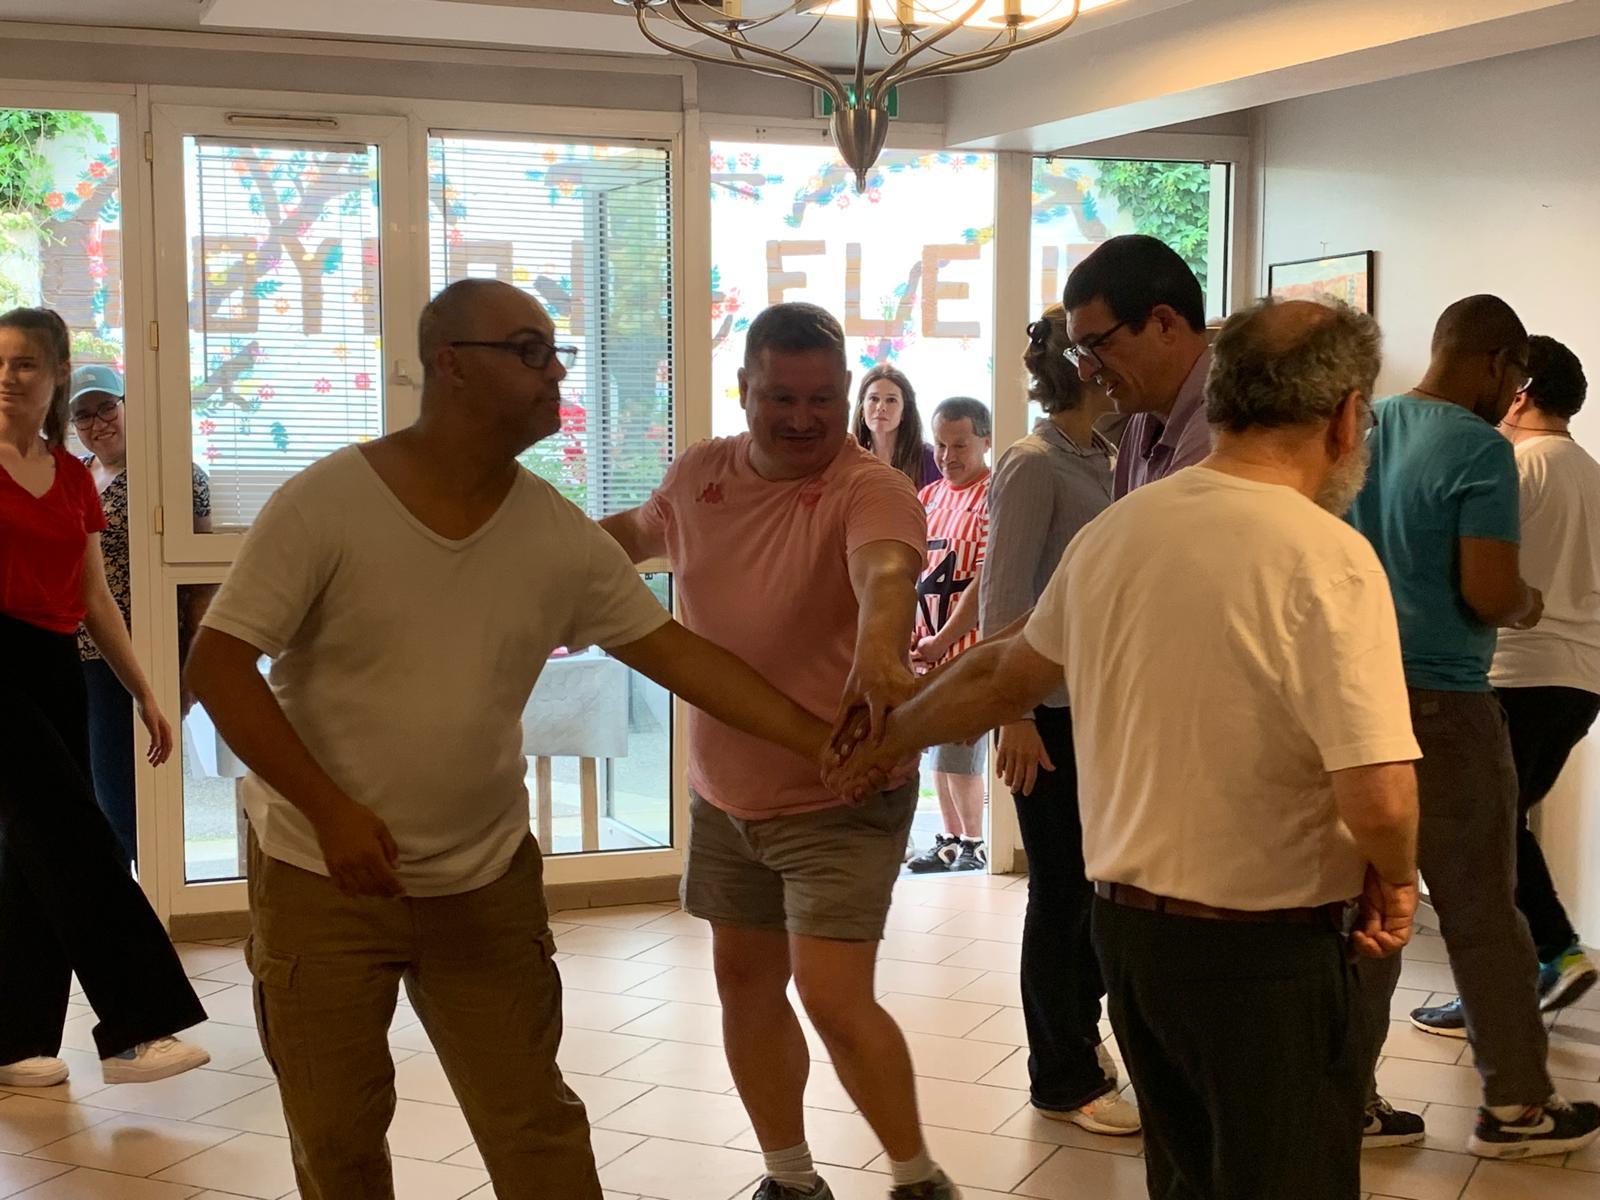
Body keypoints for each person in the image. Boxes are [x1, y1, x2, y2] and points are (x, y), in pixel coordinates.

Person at [185, 279, 843, 1200]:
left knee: (533, 1126)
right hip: (323, 876)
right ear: (451, 365)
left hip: (483, 880)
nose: (555, 373)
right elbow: (218, 666)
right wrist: (330, 812)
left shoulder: (551, 532)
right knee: (337, 1139)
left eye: (554, 352)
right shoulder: (327, 503)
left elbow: (680, 658)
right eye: (529, 351)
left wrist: (826, 742)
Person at [832, 297, 1422, 1200]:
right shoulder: (1329, 558)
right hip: (1266, 955)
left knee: (1183, 1176)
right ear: (1346, 418)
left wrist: (887, 741)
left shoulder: (1120, 529)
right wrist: (1400, 879)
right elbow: (1378, 793)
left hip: (1134, 942)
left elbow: (1002, 675)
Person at [601, 302, 959, 1200]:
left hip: (842, 789)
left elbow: (885, 570)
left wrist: (882, 648)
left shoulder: (868, 486)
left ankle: (918, 1180)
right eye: (781, 398)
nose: (803, 418)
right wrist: (524, 546)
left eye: (822, 399)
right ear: (745, 391)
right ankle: (791, 1180)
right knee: (744, 985)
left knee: (831, 994)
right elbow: (634, 537)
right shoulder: (701, 473)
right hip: (727, 792)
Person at [1348, 296, 1600, 1158]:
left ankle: (1349, 1102)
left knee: (1372, 909)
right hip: (1448, 709)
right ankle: (1517, 1109)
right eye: (1516, 373)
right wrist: (1526, 604)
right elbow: (1489, 592)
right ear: (1498, 362)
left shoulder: (1364, 425)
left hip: (1359, 705)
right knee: (1486, 915)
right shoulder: (1480, 446)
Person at [0, 306, 210, 1091]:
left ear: (57, 374)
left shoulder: (69, 476)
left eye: (24, 363)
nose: (7, 377)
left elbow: (93, 597)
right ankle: (137, 1024)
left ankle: (13, 1039)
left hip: (56, 661)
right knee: (78, 834)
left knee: (35, 851)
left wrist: (145, 690)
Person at [975, 306, 1138, 1136]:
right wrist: (1014, 715)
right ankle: (1061, 1075)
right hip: (1045, 712)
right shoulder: (1032, 463)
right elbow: (1003, 597)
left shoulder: (1110, 454)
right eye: (1104, 355)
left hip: (1101, 710)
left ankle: (1080, 1037)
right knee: (1061, 893)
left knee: (1093, 891)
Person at [1412, 335, 1600, 1032]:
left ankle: (1550, 957)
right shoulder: (1591, 473)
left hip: (1514, 674)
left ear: (1519, 391)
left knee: (1481, 834)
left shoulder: (1514, 466)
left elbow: (1478, 572)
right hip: (1582, 681)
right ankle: (1539, 964)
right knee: (1499, 825)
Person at [68, 364, 215, 868]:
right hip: (76, 653)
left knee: (126, 796)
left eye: (107, 407)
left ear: (130, 406)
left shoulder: (174, 476)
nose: (98, 423)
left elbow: (200, 579)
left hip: (140, 653)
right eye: (83, 415)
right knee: (89, 791)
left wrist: (192, 662)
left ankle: (144, 895)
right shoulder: (74, 476)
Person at [906, 396, 992, 874]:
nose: (947, 456)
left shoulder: (993, 494)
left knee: (959, 750)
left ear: (985, 441)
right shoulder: (929, 496)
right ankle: (949, 837)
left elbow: (985, 580)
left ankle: (974, 841)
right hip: (926, 645)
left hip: (966, 647)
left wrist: (943, 641)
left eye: (959, 445)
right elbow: (912, 570)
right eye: (940, 445)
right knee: (935, 750)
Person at [1061, 234, 1213, 498]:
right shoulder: (1143, 420)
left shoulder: (1230, 426)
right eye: (1080, 352)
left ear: (1164, 324)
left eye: (1096, 344)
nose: (1085, 371)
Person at [852, 363, 939, 489]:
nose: (880, 407)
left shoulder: (930, 460)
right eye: (874, 399)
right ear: (862, 409)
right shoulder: (848, 460)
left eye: (891, 400)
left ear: (904, 412)